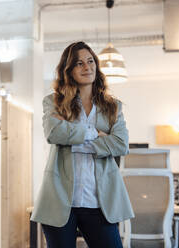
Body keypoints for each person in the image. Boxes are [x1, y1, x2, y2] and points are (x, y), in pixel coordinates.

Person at [31, 41, 134, 248]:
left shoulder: (113, 107)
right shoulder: (54, 102)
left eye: (90, 61)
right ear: (68, 70)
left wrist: (74, 140)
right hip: (60, 202)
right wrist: (94, 133)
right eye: (79, 63)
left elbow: (121, 145)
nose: (87, 67)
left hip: (99, 203)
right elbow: (53, 133)